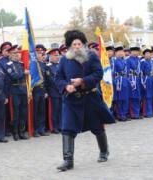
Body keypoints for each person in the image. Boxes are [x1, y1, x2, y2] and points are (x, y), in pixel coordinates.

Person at [55, 30, 115, 172]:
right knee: (67, 129)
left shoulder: (91, 56)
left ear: (83, 45)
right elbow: (57, 78)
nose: (76, 46)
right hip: (71, 100)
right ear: (70, 46)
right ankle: (68, 161)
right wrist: (66, 86)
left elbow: (98, 74)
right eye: (73, 44)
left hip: (89, 97)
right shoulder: (64, 59)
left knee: (97, 127)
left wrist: (83, 81)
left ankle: (104, 151)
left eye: (79, 44)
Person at [5, 45, 29, 141]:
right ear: (10, 54)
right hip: (15, 90)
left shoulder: (22, 64)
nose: (16, 55)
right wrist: (24, 73)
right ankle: (15, 132)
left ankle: (22, 132)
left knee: (23, 112)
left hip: (23, 89)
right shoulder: (8, 65)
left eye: (17, 53)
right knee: (16, 112)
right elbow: (14, 76)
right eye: (14, 53)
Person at [32, 44, 49, 137]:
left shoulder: (43, 64)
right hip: (35, 90)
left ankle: (41, 129)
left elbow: (45, 79)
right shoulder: (33, 65)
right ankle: (35, 130)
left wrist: (46, 91)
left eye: (42, 53)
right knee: (36, 111)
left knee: (42, 110)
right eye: (39, 53)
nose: (41, 55)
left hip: (42, 90)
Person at [45, 48, 62, 134]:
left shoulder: (60, 65)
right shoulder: (48, 66)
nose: (57, 57)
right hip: (53, 91)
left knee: (61, 109)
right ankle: (54, 127)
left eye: (58, 55)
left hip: (61, 91)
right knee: (54, 110)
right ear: (50, 56)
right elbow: (50, 80)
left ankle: (61, 125)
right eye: (55, 55)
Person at [113, 43, 130, 121]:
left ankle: (124, 114)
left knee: (125, 98)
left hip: (126, 80)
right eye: (118, 51)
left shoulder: (125, 60)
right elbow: (117, 70)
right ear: (115, 53)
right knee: (120, 99)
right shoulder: (115, 61)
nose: (120, 53)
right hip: (119, 81)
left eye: (121, 51)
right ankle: (120, 115)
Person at [126, 44, 142, 119]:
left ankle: (137, 113)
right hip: (132, 79)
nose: (135, 52)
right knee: (132, 97)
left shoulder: (138, 59)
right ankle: (133, 114)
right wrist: (130, 80)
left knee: (138, 97)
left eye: (136, 51)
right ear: (131, 52)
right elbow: (127, 71)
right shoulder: (128, 60)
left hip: (138, 79)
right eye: (133, 51)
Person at [140, 48, 153, 118]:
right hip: (146, 79)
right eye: (146, 53)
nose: (148, 55)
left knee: (151, 95)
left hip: (151, 78)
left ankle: (151, 111)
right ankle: (147, 112)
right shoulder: (143, 62)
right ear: (144, 55)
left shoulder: (152, 61)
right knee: (147, 96)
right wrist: (143, 81)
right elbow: (141, 72)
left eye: (149, 53)